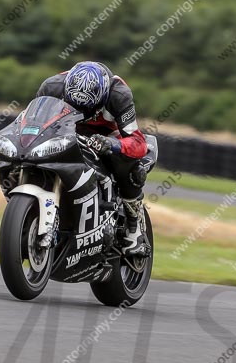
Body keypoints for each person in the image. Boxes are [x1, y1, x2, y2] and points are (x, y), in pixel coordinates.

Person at [37, 61, 151, 255]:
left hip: (107, 136)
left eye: (87, 108)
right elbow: (33, 121)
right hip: (68, 131)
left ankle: (134, 226)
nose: (82, 112)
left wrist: (113, 145)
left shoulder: (119, 94)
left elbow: (138, 142)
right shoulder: (51, 87)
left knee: (130, 165)